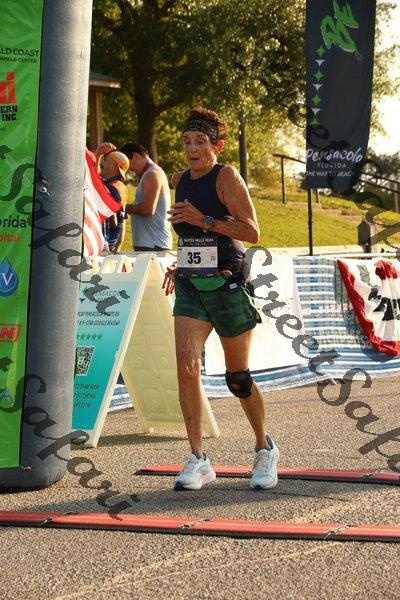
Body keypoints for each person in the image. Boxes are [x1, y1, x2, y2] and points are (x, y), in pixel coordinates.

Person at [162, 106, 279, 491]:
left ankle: (264, 448)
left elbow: (252, 232)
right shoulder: (180, 180)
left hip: (228, 283)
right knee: (185, 367)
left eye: (200, 142)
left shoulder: (226, 177)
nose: (192, 149)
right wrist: (181, 263)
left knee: (237, 378)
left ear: (218, 146)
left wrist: (203, 220)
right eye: (186, 142)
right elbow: (192, 240)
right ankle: (198, 458)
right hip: (192, 286)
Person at [120, 142, 172, 252]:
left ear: (135, 156)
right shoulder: (148, 173)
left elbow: (147, 209)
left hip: (154, 245)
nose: (128, 169)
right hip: (150, 245)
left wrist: (121, 207)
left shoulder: (153, 174)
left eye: (127, 164)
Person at [95, 143, 129, 252]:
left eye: (106, 160)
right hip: (112, 244)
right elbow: (123, 220)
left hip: (105, 244)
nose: (102, 163)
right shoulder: (120, 186)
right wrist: (118, 246)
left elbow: (113, 219)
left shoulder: (112, 188)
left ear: (115, 166)